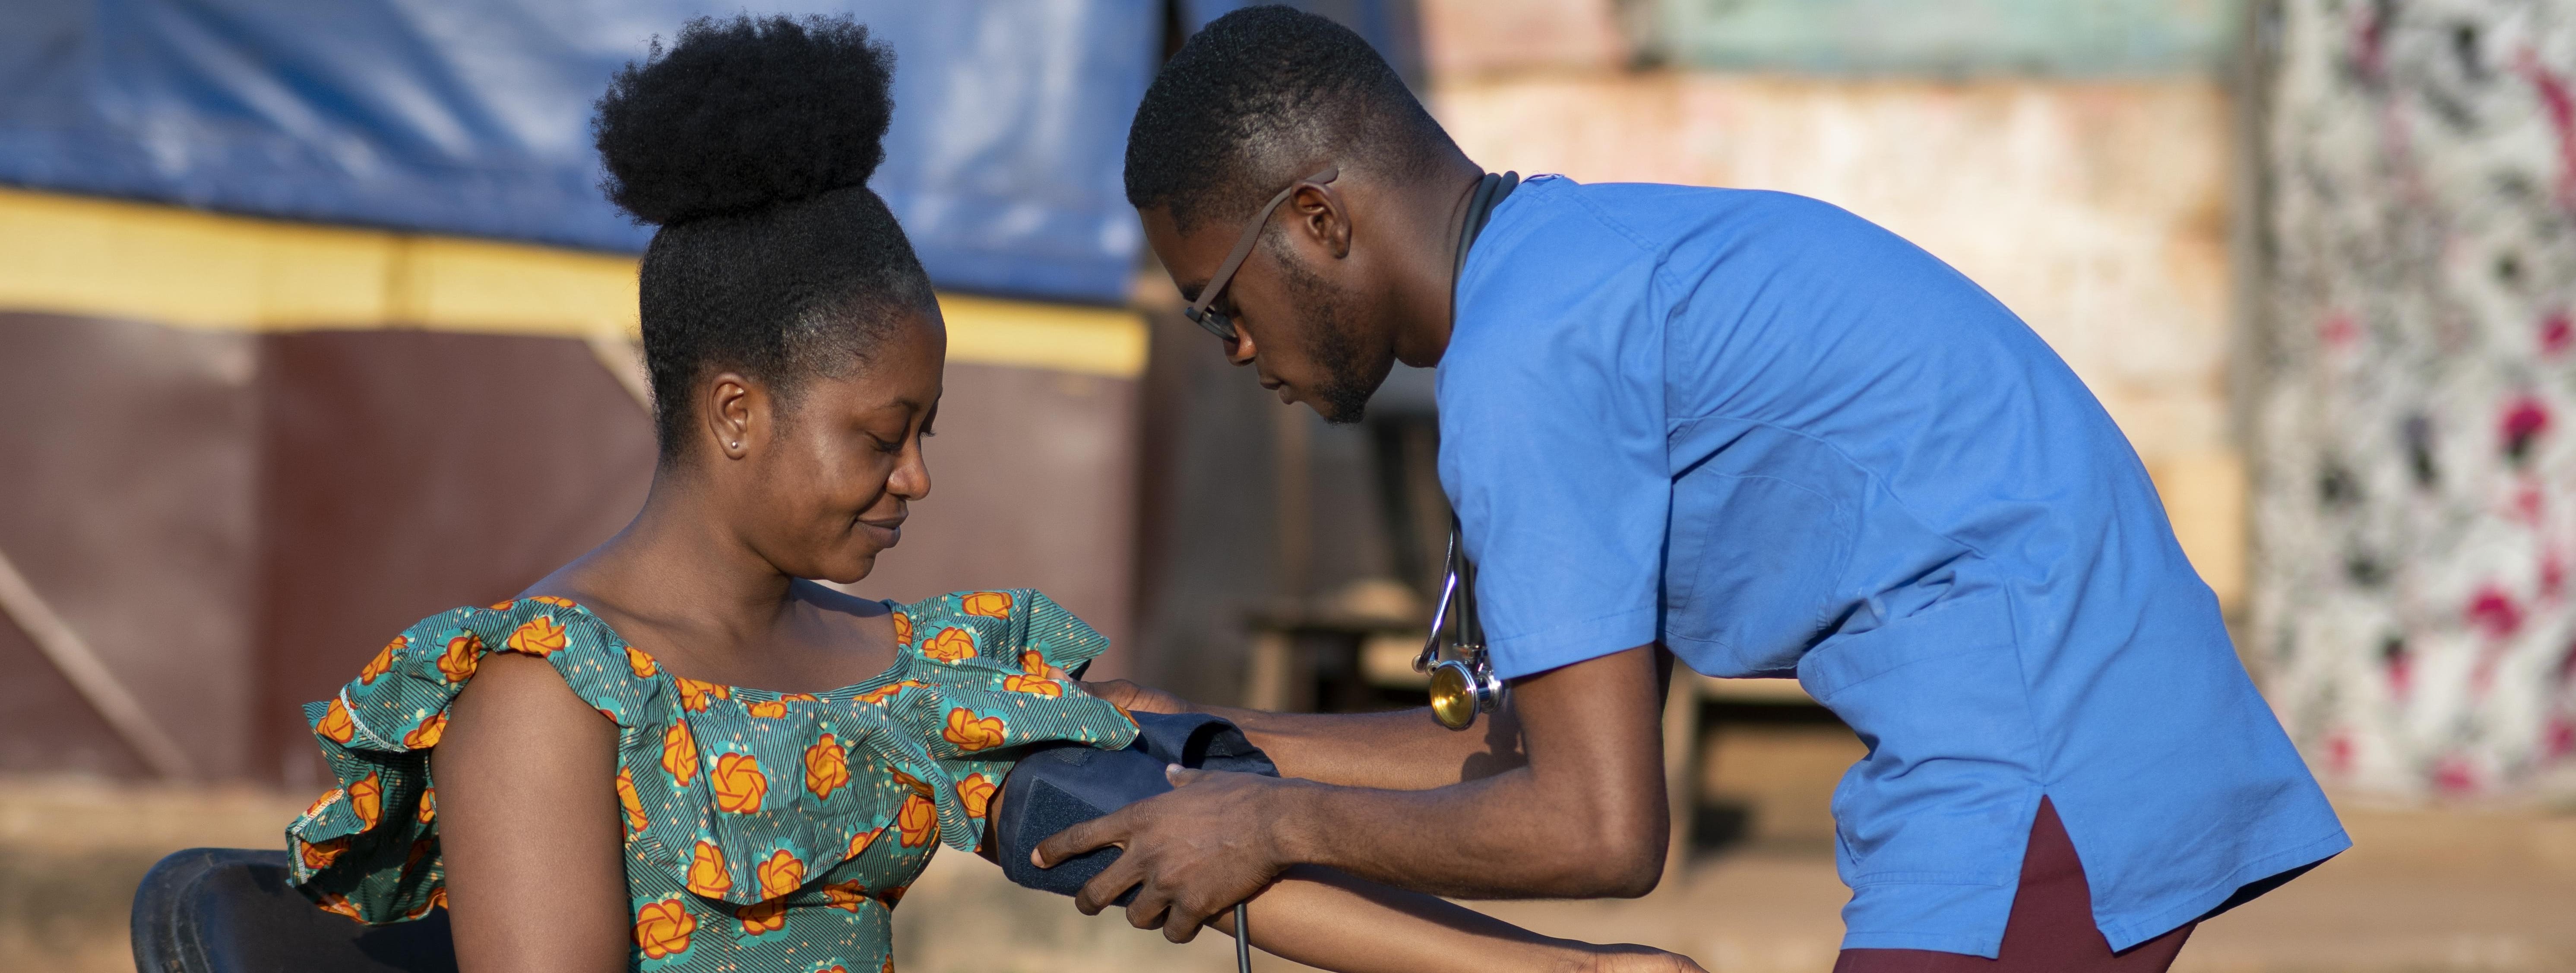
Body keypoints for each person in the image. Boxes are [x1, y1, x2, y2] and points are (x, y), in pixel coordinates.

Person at [278, 15, 1703, 973]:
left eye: (929, 430)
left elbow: (1209, 828)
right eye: (880, 436)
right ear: (734, 413)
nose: (919, 478)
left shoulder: (908, 671)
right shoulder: (549, 695)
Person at [1042, 7, 2353, 972]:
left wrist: (1269, 822)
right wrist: (1196, 728)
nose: (1241, 354)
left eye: (1223, 308)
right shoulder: (1556, 275)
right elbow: (1511, 748)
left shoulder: (1527, 361)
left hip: (2041, 747)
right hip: (2064, 714)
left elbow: (1600, 830)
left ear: (1320, 222)